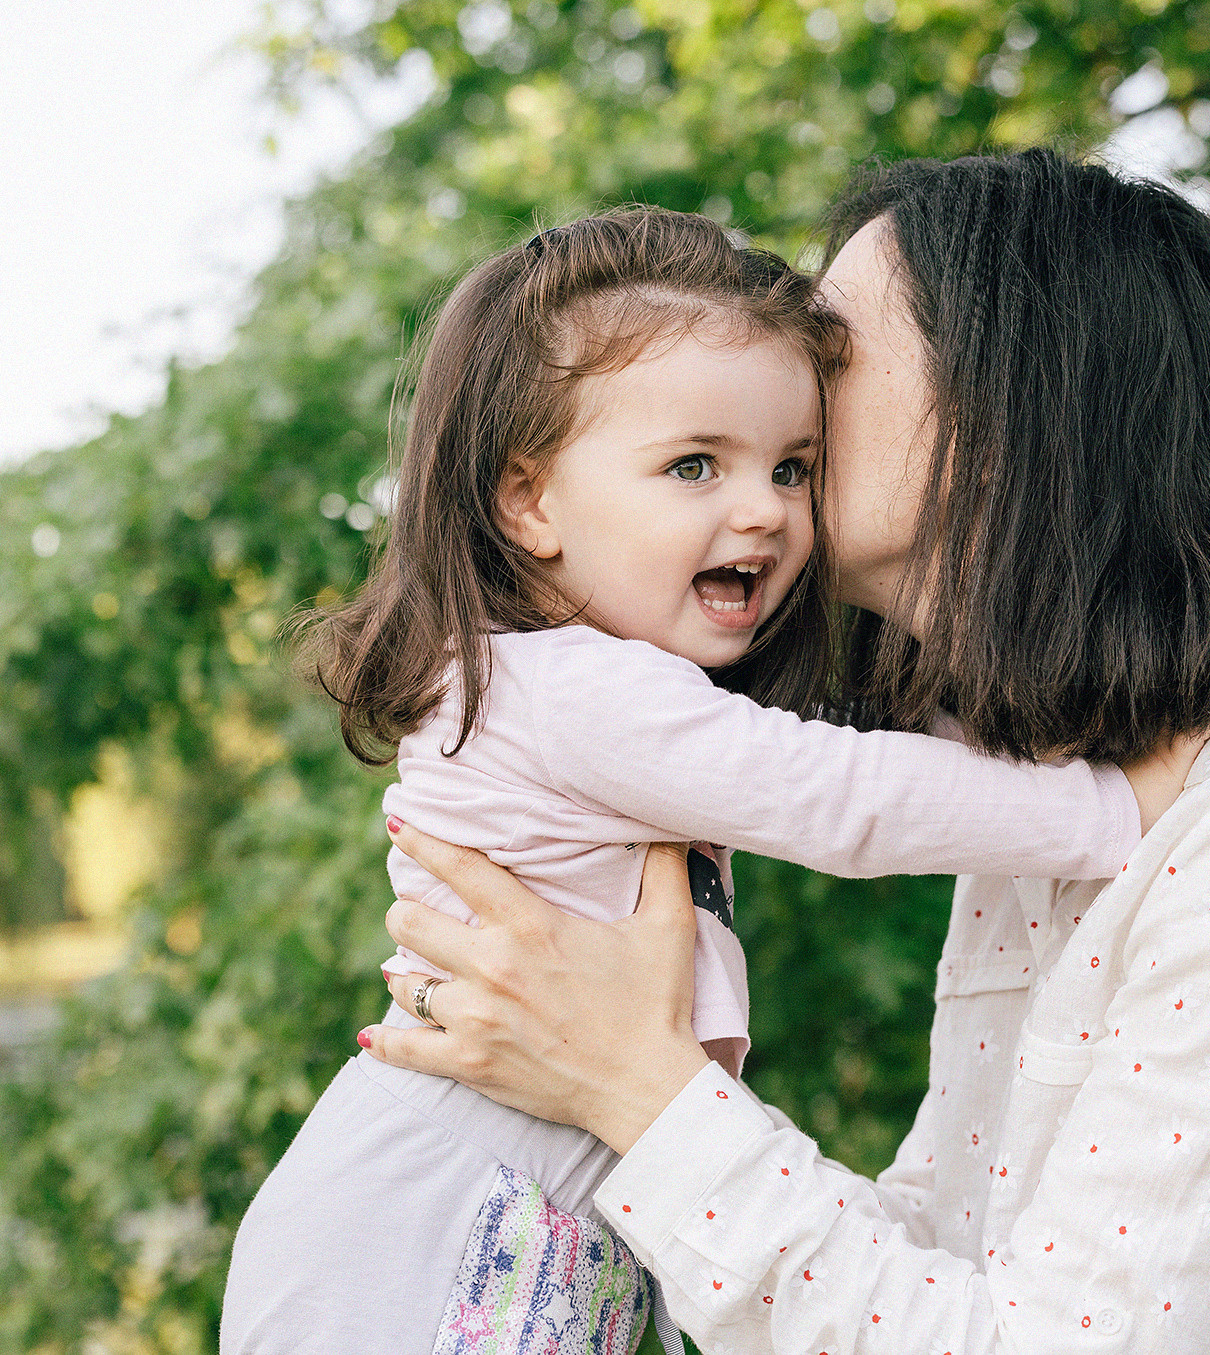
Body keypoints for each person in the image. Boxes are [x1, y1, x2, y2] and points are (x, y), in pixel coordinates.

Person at [362, 150, 1210, 1353]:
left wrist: (637, 1091)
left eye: (837, 349)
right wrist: (635, 1096)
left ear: (1017, 393)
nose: (793, 374)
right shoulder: (1068, 779)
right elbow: (956, 1261)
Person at [219, 206, 1154, 1355]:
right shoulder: (571, 691)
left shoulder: (574, 693)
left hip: (522, 1192)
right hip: (427, 1214)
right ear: (529, 502)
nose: (763, 506)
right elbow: (837, 797)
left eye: (794, 466)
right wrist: (1114, 811)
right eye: (693, 464)